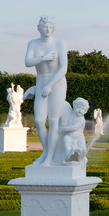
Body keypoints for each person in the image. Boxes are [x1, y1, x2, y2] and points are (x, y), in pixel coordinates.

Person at [25, 16, 68, 166]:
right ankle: (46, 152)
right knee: (39, 120)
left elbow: (63, 69)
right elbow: (27, 62)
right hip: (41, 81)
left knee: (54, 120)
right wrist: (44, 57)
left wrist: (50, 85)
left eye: (50, 27)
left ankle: (49, 158)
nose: (47, 29)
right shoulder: (33, 44)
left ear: (53, 28)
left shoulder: (59, 44)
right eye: (44, 27)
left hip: (57, 83)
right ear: (39, 28)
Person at [60, 98, 89, 165]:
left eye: (82, 109)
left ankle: (82, 158)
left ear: (85, 111)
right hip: (69, 136)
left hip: (79, 137)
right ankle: (68, 152)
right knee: (66, 139)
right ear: (74, 107)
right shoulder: (71, 115)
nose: (79, 110)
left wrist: (65, 129)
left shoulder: (82, 119)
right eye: (78, 107)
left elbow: (75, 127)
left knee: (83, 149)